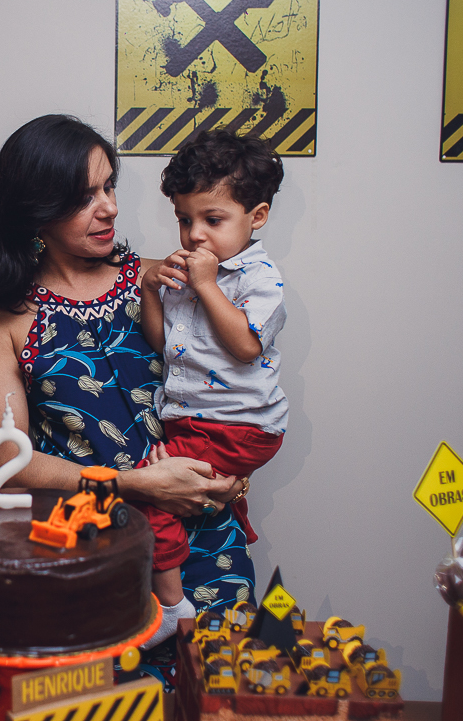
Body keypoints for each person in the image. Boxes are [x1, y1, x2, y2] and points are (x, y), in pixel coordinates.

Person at [0, 115, 248, 680]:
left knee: (217, 697)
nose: (110, 207)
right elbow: (8, 460)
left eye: (109, 186)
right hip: (88, 552)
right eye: (83, 196)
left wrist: (237, 464)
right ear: (35, 209)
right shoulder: (2, 322)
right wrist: (131, 484)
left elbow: (233, 385)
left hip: (202, 535)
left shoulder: (160, 281)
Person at [138, 128, 288, 646]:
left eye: (213, 220)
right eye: (185, 220)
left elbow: (246, 345)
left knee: (152, 492)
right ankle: (228, 519)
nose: (195, 235)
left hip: (238, 426)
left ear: (257, 217)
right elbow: (163, 344)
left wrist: (205, 285)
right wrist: (153, 290)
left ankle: (171, 609)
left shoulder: (257, 277)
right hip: (199, 419)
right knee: (188, 492)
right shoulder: (191, 269)